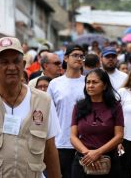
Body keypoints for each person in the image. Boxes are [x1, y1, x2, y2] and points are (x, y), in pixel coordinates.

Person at [0, 36, 61, 177]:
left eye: (16, 61)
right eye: (4, 62)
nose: (11, 67)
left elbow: (50, 150)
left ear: (24, 64)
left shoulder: (43, 101)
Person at [70, 68, 124, 177]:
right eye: (88, 82)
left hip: (108, 162)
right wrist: (88, 154)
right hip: (83, 161)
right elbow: (73, 137)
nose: (90, 85)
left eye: (95, 82)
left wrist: (98, 153)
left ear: (104, 86)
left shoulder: (115, 107)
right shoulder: (79, 107)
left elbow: (119, 136)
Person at [47, 44, 86, 178]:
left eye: (82, 56)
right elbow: (48, 114)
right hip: (60, 142)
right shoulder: (54, 84)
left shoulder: (89, 83)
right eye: (75, 55)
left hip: (84, 144)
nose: (79, 59)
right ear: (66, 58)